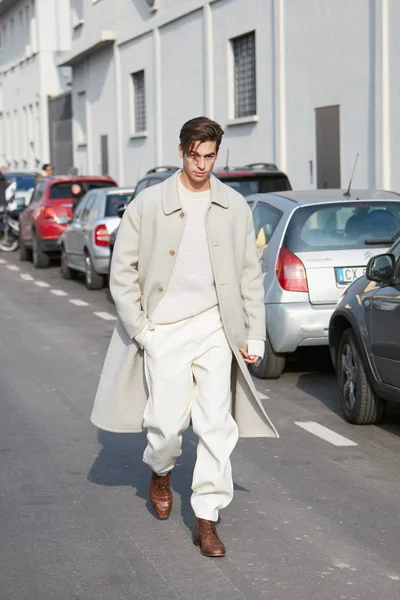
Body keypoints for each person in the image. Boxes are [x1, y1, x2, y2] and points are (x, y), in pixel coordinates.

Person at [91, 116, 278, 558]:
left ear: (217, 154)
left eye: (209, 156)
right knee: (166, 426)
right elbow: (123, 273)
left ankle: (207, 519)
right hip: (165, 330)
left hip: (216, 328)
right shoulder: (149, 203)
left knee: (216, 425)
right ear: (181, 151)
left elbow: (250, 274)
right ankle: (160, 471)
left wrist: (254, 333)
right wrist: (143, 330)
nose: (201, 164)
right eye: (194, 155)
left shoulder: (234, 205)